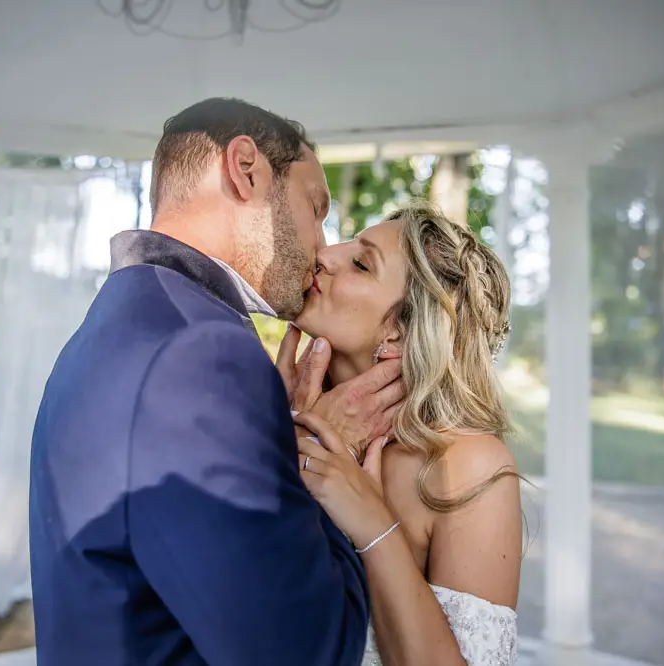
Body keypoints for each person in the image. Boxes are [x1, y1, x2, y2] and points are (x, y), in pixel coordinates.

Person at [28, 98, 403, 666]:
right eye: (315, 206)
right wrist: (326, 455)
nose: (323, 245)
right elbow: (307, 653)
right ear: (245, 168)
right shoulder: (201, 352)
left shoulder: (114, 324)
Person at [277, 203, 522, 666]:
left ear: (401, 331)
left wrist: (374, 525)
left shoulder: (465, 467)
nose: (326, 254)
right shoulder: (278, 416)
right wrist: (281, 433)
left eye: (361, 263)